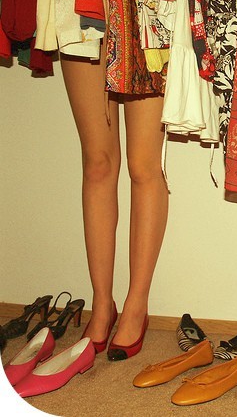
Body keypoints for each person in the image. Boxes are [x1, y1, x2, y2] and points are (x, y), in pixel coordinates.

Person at [61, 49, 168, 360]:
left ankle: (136, 305)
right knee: (97, 164)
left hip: (148, 19)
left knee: (143, 166)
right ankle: (102, 303)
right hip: (87, 21)